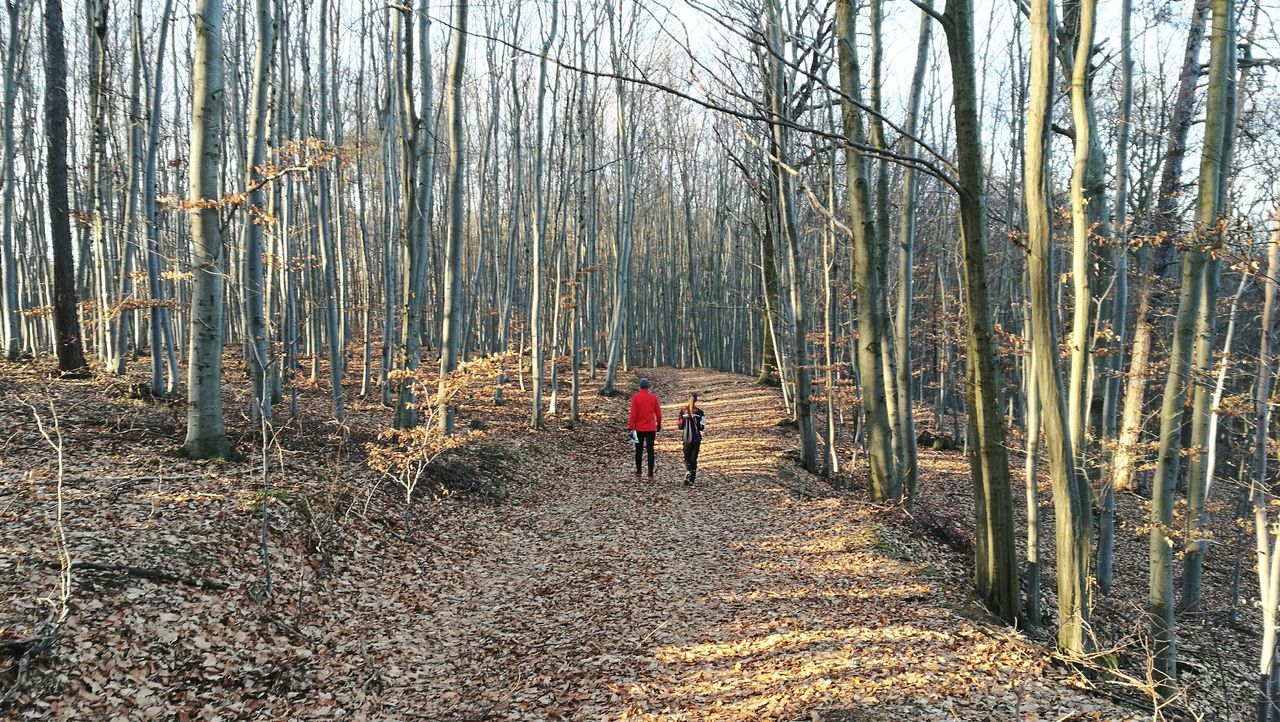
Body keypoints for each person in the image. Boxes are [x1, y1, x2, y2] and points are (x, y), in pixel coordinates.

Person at [628, 377, 662, 482]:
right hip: (651, 428)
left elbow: (633, 414)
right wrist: (659, 424)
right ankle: (650, 475)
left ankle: (638, 472)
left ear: (640, 386)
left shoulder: (635, 397)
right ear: (648, 386)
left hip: (637, 429)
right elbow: (658, 413)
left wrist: (631, 428)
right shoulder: (653, 397)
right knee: (650, 451)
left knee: (638, 451)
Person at [676, 393, 706, 487]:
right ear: (696, 400)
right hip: (696, 438)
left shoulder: (682, 412)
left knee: (686, 458)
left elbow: (680, 426)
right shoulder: (700, 413)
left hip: (686, 438)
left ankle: (688, 470)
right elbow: (702, 427)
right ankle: (692, 481)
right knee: (694, 459)